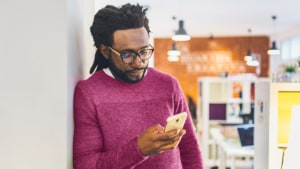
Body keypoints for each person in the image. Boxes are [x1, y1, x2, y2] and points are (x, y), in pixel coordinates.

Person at [73, 3, 203, 169]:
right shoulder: (88, 93)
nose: (139, 62)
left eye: (144, 51)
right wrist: (138, 149)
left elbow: (190, 150)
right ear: (106, 51)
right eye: (127, 54)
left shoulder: (168, 85)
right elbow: (85, 164)